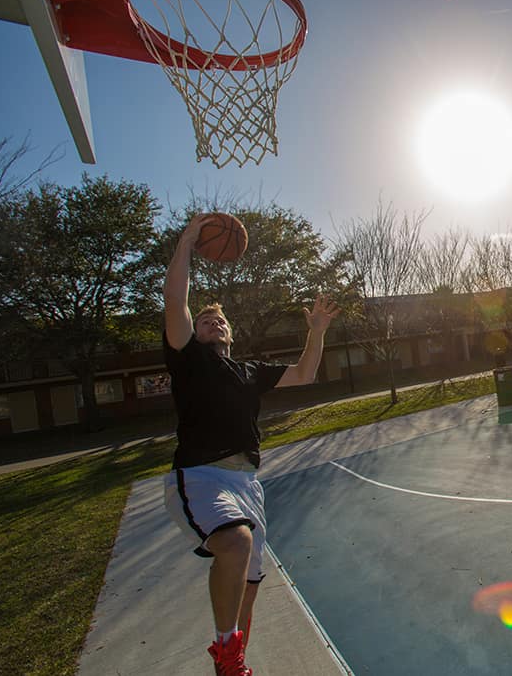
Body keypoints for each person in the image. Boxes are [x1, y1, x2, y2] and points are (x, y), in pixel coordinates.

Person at [162, 214, 340, 676]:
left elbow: (305, 373)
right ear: (193, 332)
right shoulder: (188, 359)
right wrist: (186, 242)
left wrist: (316, 331)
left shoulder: (247, 372)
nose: (210, 323)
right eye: (203, 320)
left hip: (247, 483)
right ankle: (225, 651)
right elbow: (175, 299)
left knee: (250, 585)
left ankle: (233, 663)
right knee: (236, 544)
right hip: (201, 476)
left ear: (230, 331)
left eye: (218, 319)